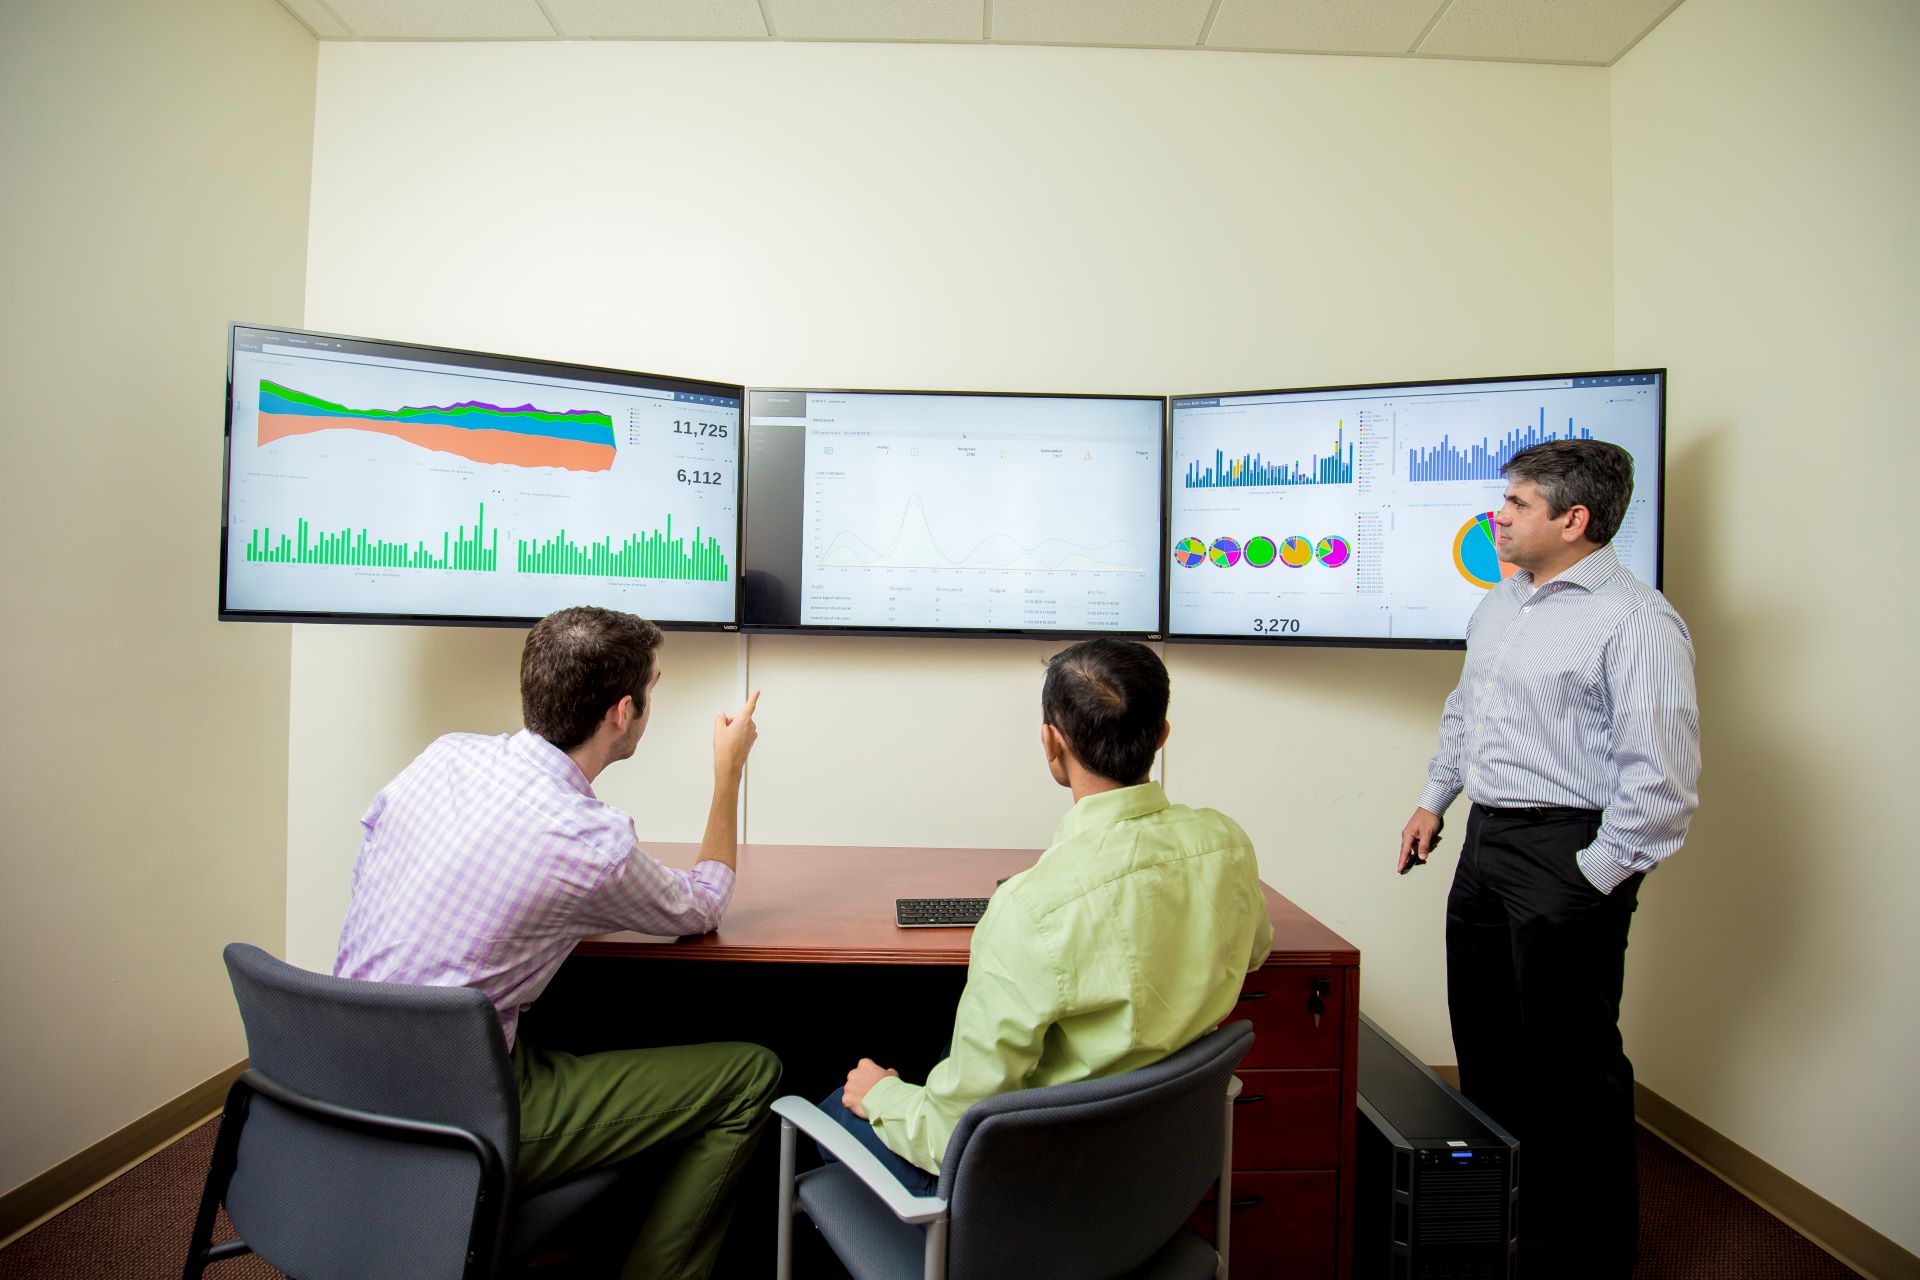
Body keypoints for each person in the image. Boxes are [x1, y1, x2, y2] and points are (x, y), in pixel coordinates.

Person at [335, 605, 778, 1280]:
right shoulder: (587, 844)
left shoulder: (443, 756)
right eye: (653, 690)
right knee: (750, 1076)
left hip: (333, 1079)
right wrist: (728, 774)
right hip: (452, 1113)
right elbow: (702, 904)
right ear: (622, 713)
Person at [1398, 439, 1700, 1278]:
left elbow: (1662, 780)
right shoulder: (1503, 603)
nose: (1498, 514)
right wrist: (1436, 801)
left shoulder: (1636, 621)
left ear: (1574, 519)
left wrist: (1590, 879)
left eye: (1518, 503)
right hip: (1487, 841)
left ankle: (1595, 1257)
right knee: (1489, 1052)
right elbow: (1467, 713)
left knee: (1576, 1069)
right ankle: (1511, 1231)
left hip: (1567, 849)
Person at [825, 637, 1274, 1193]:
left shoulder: (1029, 910)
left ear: (1051, 744)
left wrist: (882, 1095)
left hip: (1041, 1192)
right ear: (1161, 736)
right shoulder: (1226, 844)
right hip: (1156, 1185)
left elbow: (950, 1136)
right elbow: (1255, 951)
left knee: (836, 1105)